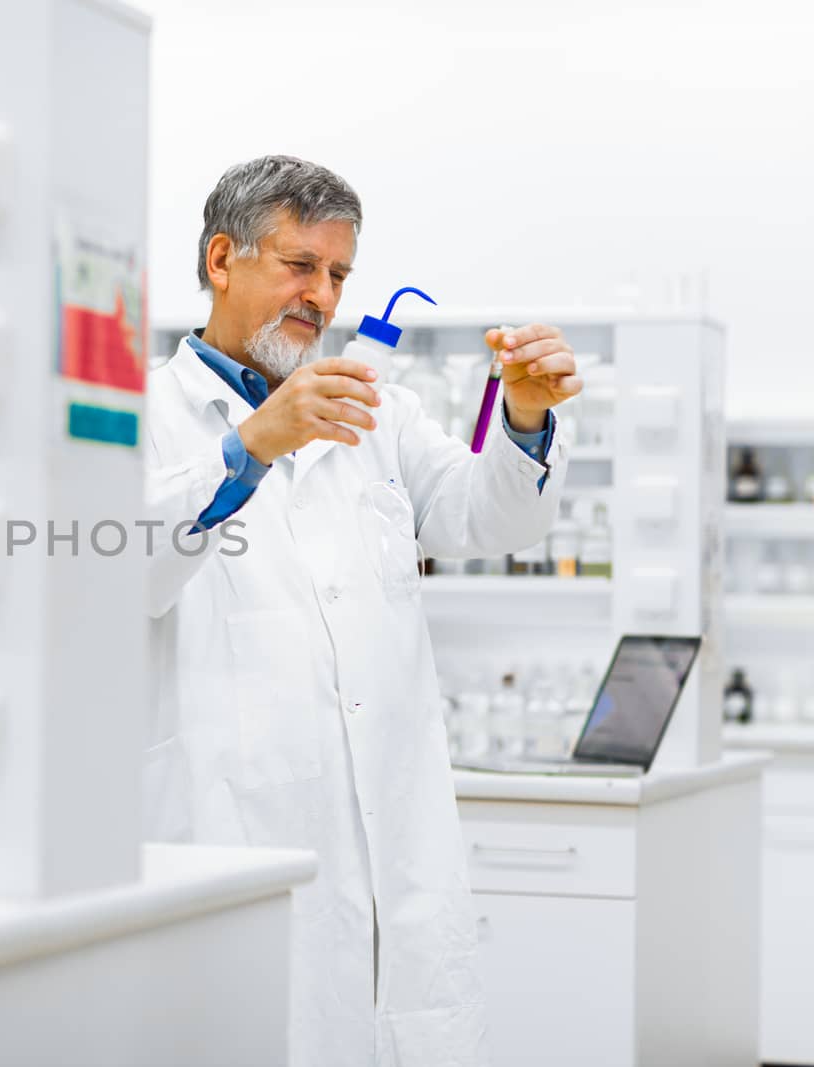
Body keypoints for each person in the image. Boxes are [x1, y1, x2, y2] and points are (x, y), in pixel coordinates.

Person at [143, 155, 579, 1066]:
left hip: (394, 852)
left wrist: (526, 422)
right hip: (235, 838)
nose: (322, 295)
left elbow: (487, 515)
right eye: (299, 265)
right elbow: (125, 566)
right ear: (222, 258)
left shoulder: (377, 413)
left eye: (337, 274)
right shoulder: (140, 413)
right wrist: (251, 444)